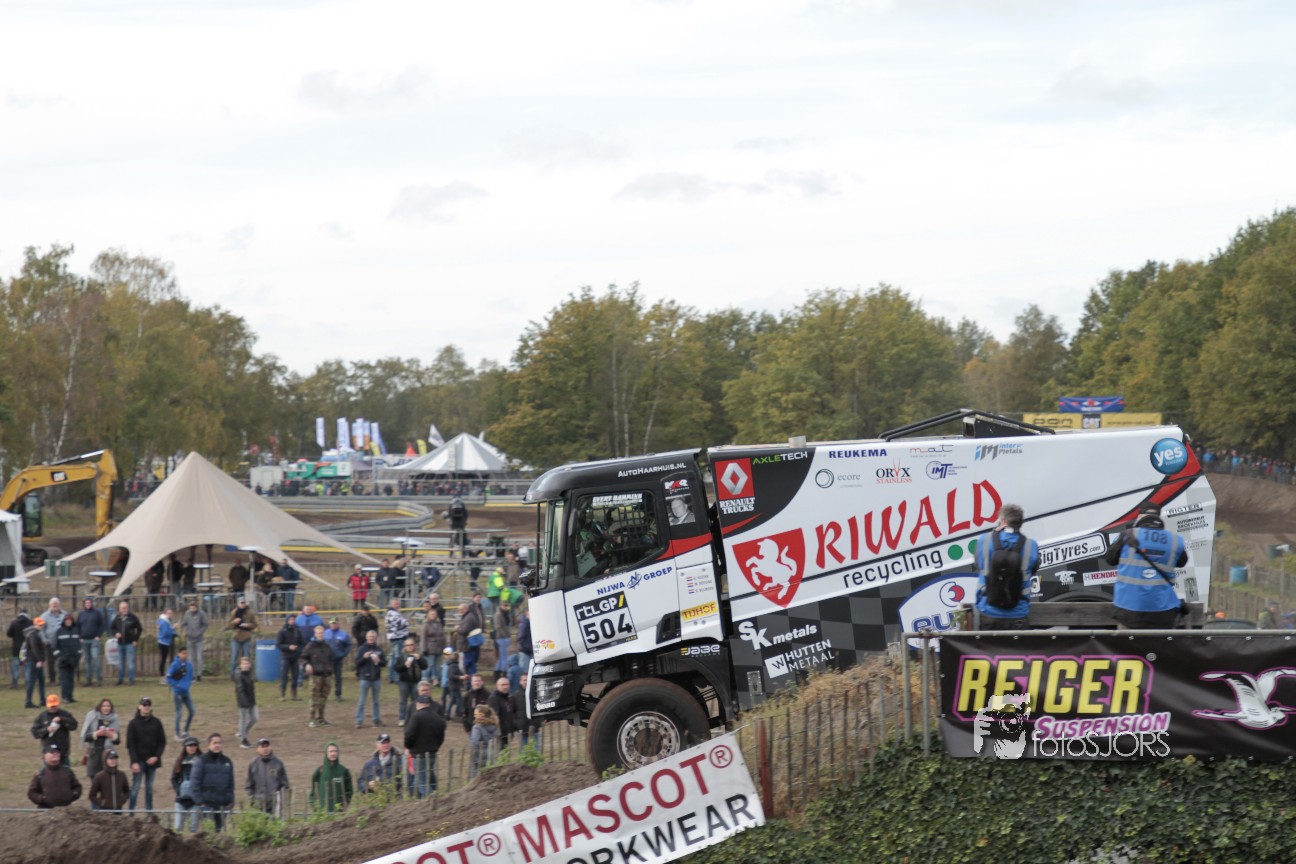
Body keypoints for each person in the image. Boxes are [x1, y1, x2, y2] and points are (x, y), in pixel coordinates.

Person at [1105, 506, 1190, 629]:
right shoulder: (1175, 540)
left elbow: (1110, 559)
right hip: (1163, 611)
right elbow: (1182, 562)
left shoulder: (1127, 535)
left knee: (1125, 640)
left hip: (1128, 610)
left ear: (1139, 519)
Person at [974, 503, 1041, 631]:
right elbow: (1033, 570)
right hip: (1019, 615)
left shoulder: (984, 540)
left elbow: (978, 565)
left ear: (1003, 521)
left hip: (988, 612)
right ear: (1020, 523)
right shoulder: (1030, 545)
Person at [126, 695, 167, 814]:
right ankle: (131, 813)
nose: (146, 707)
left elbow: (162, 742)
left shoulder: (157, 722)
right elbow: (130, 745)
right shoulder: (133, 724)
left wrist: (156, 757)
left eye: (148, 705)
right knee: (136, 787)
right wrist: (134, 761)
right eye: (144, 704)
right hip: (139, 760)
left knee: (149, 787)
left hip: (152, 761)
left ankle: (149, 813)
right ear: (139, 706)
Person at [189, 732, 235, 832]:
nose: (217, 745)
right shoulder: (201, 760)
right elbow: (194, 783)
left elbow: (231, 784)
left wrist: (230, 800)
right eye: (214, 743)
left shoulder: (227, 761)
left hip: (222, 804)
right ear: (209, 745)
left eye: (219, 743)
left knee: (219, 832)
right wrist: (200, 802)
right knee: (208, 832)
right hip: (207, 804)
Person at [404, 693, 445, 798]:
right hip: (432, 753)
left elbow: (409, 734)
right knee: (430, 777)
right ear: (428, 704)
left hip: (419, 753)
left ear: (418, 704)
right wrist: (436, 746)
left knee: (421, 781)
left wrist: (409, 746)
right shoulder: (437, 717)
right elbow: (441, 735)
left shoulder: (416, 716)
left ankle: (432, 800)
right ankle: (432, 796)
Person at [246, 738, 290, 815]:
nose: (265, 749)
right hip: (258, 805)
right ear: (258, 749)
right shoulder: (253, 764)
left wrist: (279, 799)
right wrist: (253, 798)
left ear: (270, 747)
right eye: (262, 746)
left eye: (267, 746)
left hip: (274, 804)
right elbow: (249, 785)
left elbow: (285, 784)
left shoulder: (278, 763)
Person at [81, 697, 121, 780]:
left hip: (108, 755)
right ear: (100, 707)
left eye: (108, 706)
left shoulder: (115, 719)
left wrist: (112, 735)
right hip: (94, 754)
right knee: (94, 781)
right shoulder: (92, 717)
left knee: (108, 782)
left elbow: (118, 741)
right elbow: (85, 737)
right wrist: (96, 734)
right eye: (104, 706)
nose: (106, 708)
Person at [31, 693, 79, 764]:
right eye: (51, 706)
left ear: (58, 704)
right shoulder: (42, 716)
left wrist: (62, 719)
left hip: (63, 753)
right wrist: (47, 730)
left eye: (54, 706)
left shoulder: (65, 714)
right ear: (47, 705)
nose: (53, 708)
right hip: (48, 753)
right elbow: (35, 732)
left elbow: (74, 725)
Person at [303, 624, 334, 727]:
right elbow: (302, 657)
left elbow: (331, 659)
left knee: (323, 697)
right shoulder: (310, 646)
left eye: (322, 633)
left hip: (326, 675)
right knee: (314, 697)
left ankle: (321, 718)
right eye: (318, 633)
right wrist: (306, 664)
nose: (320, 634)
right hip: (316, 676)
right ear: (315, 634)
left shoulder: (327, 646)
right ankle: (312, 719)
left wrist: (330, 670)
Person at [309, 742, 354, 812]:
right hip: (323, 812)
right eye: (331, 751)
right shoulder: (320, 771)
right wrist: (315, 806)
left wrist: (345, 804)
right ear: (326, 753)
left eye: (335, 751)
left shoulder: (344, 771)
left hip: (339, 811)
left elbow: (349, 790)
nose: (333, 754)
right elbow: (313, 790)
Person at [171, 736, 203, 832]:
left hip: (196, 801)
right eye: (189, 745)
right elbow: (173, 779)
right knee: (177, 828)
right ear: (185, 747)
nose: (192, 747)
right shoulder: (179, 762)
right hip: (181, 800)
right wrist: (179, 791)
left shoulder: (202, 761)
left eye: (194, 745)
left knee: (193, 829)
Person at [355, 630, 385, 728]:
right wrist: (364, 657)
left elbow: (384, 663)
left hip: (376, 678)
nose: (371, 638)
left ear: (376, 638)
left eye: (373, 637)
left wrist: (379, 661)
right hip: (365, 678)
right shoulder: (362, 649)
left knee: (376, 701)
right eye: (370, 637)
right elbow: (357, 662)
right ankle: (359, 721)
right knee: (362, 701)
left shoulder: (379, 650)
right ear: (366, 637)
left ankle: (376, 720)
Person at [109, 600, 142, 687]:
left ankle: (131, 680)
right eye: (123, 608)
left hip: (130, 644)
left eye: (126, 608)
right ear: (120, 609)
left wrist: (135, 640)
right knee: (121, 663)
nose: (125, 609)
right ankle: (120, 679)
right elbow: (112, 628)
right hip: (120, 644)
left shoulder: (132, 617)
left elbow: (139, 629)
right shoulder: (117, 618)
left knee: (130, 662)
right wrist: (115, 633)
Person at [395, 637, 427, 725]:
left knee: (416, 701)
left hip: (416, 682)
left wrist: (419, 659)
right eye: (407, 645)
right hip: (404, 682)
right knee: (403, 701)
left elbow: (425, 666)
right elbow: (397, 668)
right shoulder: (401, 656)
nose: (410, 647)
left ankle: (415, 718)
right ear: (405, 646)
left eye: (411, 645)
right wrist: (405, 665)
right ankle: (402, 719)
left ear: (414, 645)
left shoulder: (418, 655)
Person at [167, 645, 196, 741]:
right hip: (178, 692)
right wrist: (176, 685)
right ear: (179, 654)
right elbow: (169, 677)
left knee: (192, 711)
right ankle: (176, 734)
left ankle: (185, 732)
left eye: (186, 653)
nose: (185, 655)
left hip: (186, 692)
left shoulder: (189, 665)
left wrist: (188, 685)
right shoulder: (174, 664)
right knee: (179, 713)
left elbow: (190, 677)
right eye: (183, 653)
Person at [77, 597, 107, 687]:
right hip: (84, 641)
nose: (88, 604)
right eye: (86, 603)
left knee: (95, 659)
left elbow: (102, 625)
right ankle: (88, 680)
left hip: (94, 640)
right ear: (84, 604)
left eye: (89, 603)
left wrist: (98, 636)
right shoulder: (81, 614)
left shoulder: (97, 613)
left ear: (92, 603)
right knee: (87, 661)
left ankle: (99, 679)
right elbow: (77, 626)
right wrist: (80, 637)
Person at [89, 748, 130, 812]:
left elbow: (127, 791)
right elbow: (92, 795)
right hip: (104, 812)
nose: (113, 760)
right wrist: (102, 803)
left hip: (118, 811)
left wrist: (122, 800)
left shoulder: (122, 775)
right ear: (105, 760)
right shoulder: (99, 776)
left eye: (115, 758)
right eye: (111, 758)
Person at [226, 596, 259, 676]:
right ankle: (232, 675)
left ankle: (247, 675)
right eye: (241, 603)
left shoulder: (250, 612)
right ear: (238, 604)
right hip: (236, 637)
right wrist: (234, 622)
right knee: (234, 658)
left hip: (246, 637)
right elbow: (228, 625)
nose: (242, 604)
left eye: (244, 603)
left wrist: (248, 625)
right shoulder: (234, 612)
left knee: (247, 658)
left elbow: (255, 624)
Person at [53, 614, 82, 703]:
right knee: (64, 680)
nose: (68, 622)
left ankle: (70, 696)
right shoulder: (59, 631)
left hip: (73, 659)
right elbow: (55, 646)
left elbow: (79, 645)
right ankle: (65, 697)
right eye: (67, 620)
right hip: (63, 660)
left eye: (70, 620)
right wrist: (59, 656)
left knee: (71, 679)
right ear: (64, 621)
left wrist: (78, 655)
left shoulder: (76, 631)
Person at [180, 599, 209, 682]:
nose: (192, 610)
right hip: (190, 639)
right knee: (191, 658)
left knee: (199, 658)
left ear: (197, 607)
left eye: (194, 608)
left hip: (199, 639)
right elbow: (184, 624)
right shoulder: (187, 614)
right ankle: (192, 675)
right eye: (191, 608)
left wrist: (200, 632)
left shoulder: (201, 613)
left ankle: (199, 675)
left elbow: (205, 624)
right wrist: (187, 631)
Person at [277, 612, 304, 701]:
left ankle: (294, 695)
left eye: (293, 619)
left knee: (295, 676)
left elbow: (301, 643)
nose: (292, 621)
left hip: (295, 657)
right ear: (287, 620)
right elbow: (278, 645)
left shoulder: (297, 631)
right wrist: (288, 647)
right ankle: (282, 694)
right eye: (291, 619)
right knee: (284, 676)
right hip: (286, 656)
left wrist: (298, 649)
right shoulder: (282, 631)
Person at [513, 672, 543, 751]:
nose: (525, 682)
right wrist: (517, 725)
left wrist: (539, 722)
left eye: (527, 680)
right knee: (523, 753)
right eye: (524, 680)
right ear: (520, 681)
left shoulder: (536, 694)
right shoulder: (515, 696)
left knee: (536, 751)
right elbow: (513, 712)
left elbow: (540, 709)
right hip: (522, 729)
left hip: (535, 727)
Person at [234, 654, 259, 748]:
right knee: (243, 720)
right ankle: (243, 741)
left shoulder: (249, 673)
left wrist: (252, 701)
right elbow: (240, 690)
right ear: (240, 665)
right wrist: (244, 702)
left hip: (251, 700)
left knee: (255, 718)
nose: (246, 665)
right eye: (244, 663)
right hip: (243, 701)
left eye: (247, 663)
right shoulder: (239, 675)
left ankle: (242, 732)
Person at [323, 617, 351, 701]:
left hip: (338, 660)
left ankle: (338, 694)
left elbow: (348, 645)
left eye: (335, 623)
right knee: (326, 678)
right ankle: (324, 694)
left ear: (338, 624)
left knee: (338, 678)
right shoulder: (325, 633)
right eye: (332, 623)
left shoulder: (343, 634)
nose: (333, 625)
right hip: (327, 660)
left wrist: (343, 654)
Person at [419, 600, 446, 685]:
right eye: (431, 614)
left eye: (434, 614)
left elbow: (442, 636)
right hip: (429, 648)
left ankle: (435, 679)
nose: (433, 616)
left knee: (437, 665)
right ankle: (425, 679)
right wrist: (424, 649)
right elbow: (423, 638)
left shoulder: (439, 624)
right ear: (428, 615)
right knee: (429, 665)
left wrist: (444, 648)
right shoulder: (426, 624)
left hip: (438, 648)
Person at [468, 703, 498, 778]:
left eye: (476, 714)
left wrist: (474, 757)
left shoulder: (477, 728)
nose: (474, 716)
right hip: (491, 755)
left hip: (479, 757)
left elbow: (474, 743)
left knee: (475, 778)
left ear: (482, 715)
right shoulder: (494, 726)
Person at [23, 616, 47, 707]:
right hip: (33, 661)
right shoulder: (33, 634)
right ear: (35, 625)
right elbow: (34, 648)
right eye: (40, 625)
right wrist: (39, 660)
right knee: (31, 681)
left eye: (42, 625)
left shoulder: (35, 633)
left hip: (34, 660)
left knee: (41, 680)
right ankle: (28, 701)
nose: (42, 626)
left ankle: (42, 700)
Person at [487, 676, 516, 750]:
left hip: (508, 733)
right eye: (503, 685)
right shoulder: (494, 698)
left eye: (507, 684)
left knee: (506, 753)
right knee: (500, 754)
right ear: (497, 686)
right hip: (500, 735)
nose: (505, 687)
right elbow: (493, 717)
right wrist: (498, 733)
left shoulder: (508, 698)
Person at [384, 599, 410, 683]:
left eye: (398, 604)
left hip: (395, 637)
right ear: (391, 604)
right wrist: (406, 621)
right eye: (396, 604)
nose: (398, 605)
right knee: (397, 658)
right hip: (397, 637)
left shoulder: (391, 613)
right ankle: (395, 677)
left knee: (393, 657)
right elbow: (400, 623)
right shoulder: (393, 613)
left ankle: (391, 676)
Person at [8, 608, 33, 690]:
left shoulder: (14, 622)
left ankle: (15, 683)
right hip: (26, 648)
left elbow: (9, 633)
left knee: (16, 667)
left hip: (16, 648)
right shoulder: (30, 622)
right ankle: (28, 683)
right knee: (27, 666)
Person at [456, 602, 482, 677]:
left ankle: (471, 680)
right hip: (469, 644)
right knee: (469, 664)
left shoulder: (469, 618)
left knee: (469, 664)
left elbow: (465, 630)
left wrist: (458, 628)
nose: (460, 611)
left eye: (462, 609)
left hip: (468, 645)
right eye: (459, 610)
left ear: (467, 609)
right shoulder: (468, 616)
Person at [441, 646, 464, 719]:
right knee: (446, 699)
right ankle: (445, 712)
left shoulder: (450, 664)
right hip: (446, 684)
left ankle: (452, 712)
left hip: (449, 684)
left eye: (448, 654)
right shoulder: (447, 664)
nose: (446, 656)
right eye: (445, 654)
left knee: (453, 699)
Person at [493, 601, 513, 681]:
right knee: (504, 657)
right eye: (504, 605)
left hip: (504, 637)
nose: (506, 607)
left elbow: (509, 624)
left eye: (507, 605)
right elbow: (498, 627)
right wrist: (505, 635)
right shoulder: (498, 615)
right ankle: (504, 673)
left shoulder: (506, 614)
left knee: (502, 657)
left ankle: (497, 674)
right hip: (501, 638)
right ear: (500, 606)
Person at [157, 607, 177, 677]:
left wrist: (174, 632)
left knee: (166, 658)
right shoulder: (164, 621)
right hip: (163, 642)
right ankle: (162, 674)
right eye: (168, 613)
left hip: (167, 641)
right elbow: (165, 632)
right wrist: (173, 628)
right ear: (165, 614)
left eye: (171, 613)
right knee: (163, 659)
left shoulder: (168, 621)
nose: (170, 615)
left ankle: (167, 673)